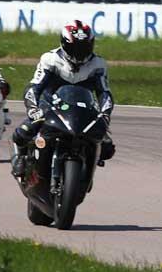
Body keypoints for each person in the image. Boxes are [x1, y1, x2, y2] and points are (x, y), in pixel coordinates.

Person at [11, 20, 115, 177]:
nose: (80, 53)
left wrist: (105, 114)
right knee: (23, 132)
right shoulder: (50, 59)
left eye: (84, 48)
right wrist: (33, 109)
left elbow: (104, 93)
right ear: (65, 44)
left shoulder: (98, 64)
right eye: (76, 48)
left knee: (107, 146)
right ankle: (20, 157)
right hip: (50, 106)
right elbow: (34, 87)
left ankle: (88, 166)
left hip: (83, 109)